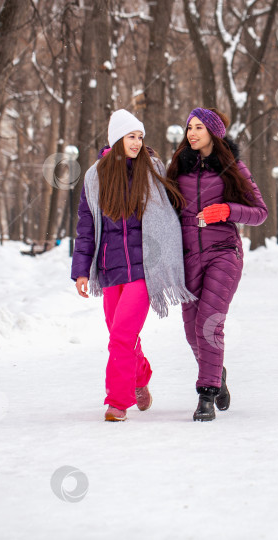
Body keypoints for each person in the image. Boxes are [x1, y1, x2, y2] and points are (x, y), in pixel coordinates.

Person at [71, 109, 195, 422]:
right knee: (119, 334)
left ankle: (117, 402)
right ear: (116, 139)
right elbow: (86, 226)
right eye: (131, 136)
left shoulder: (151, 170)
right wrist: (82, 270)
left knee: (122, 336)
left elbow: (169, 211)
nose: (138, 142)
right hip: (110, 270)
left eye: (140, 137)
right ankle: (140, 376)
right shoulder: (95, 177)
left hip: (143, 269)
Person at [166, 107, 268, 422]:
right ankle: (217, 373)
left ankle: (206, 394)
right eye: (189, 128)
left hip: (224, 252)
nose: (192, 133)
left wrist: (224, 210)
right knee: (191, 332)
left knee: (209, 323)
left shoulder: (232, 168)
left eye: (198, 127)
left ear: (214, 132)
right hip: (186, 258)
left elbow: (259, 212)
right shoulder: (177, 169)